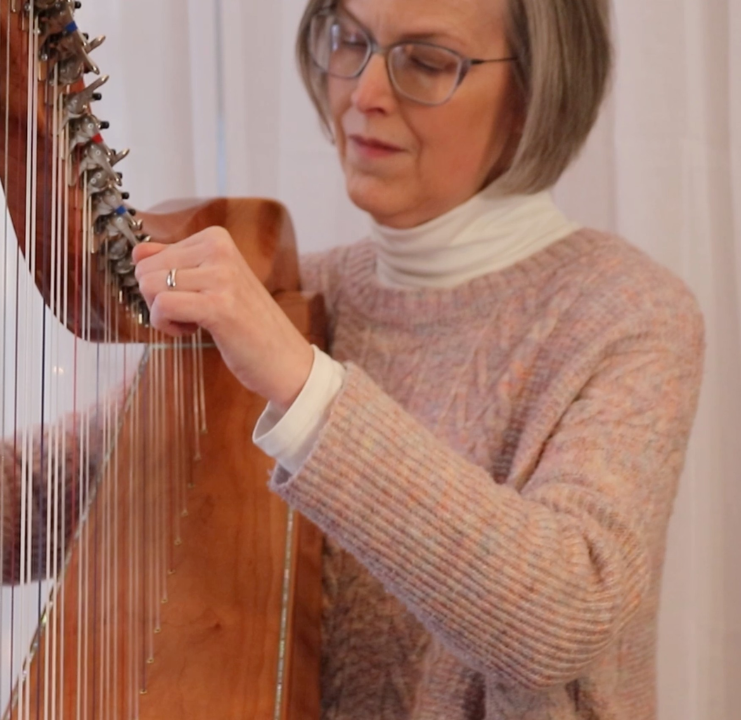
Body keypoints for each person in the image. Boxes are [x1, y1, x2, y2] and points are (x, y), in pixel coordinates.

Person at [132, 0, 704, 717]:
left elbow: (565, 619)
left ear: (533, 96)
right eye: (350, 40)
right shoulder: (296, 295)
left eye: (425, 62)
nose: (364, 94)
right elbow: (8, 512)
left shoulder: (627, 311)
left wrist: (304, 386)